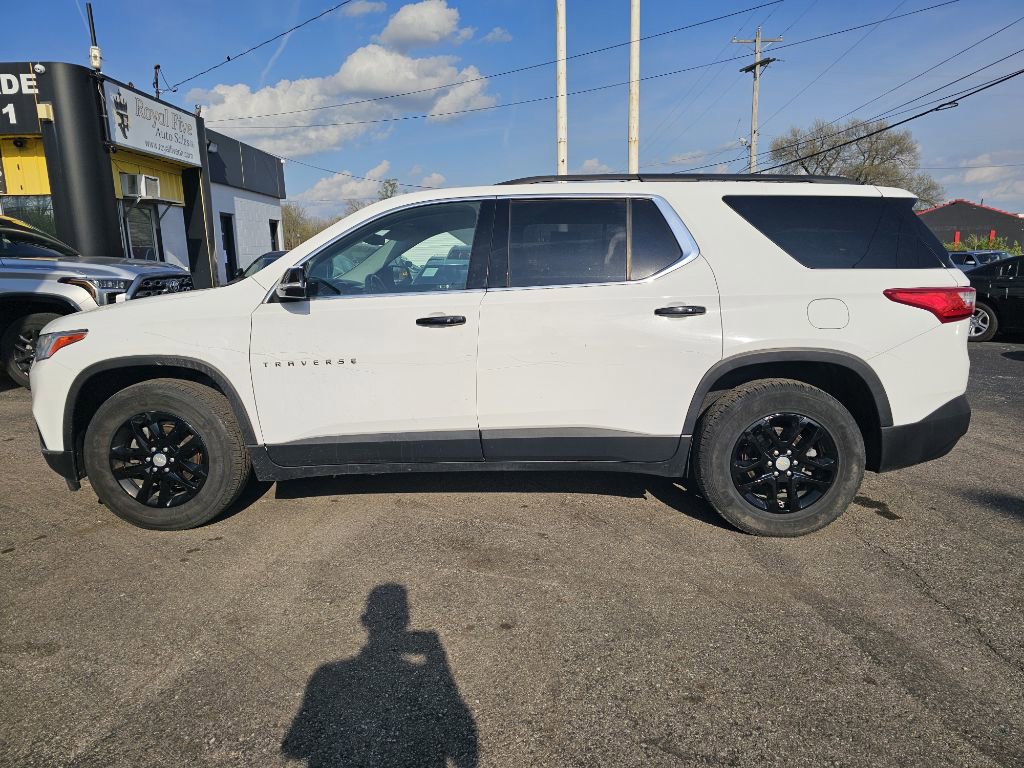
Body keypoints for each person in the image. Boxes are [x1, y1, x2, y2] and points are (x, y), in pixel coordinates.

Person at [281, 584, 478, 767]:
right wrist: (438, 660)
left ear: (366, 620)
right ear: (405, 620)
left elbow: (294, 748)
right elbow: (462, 744)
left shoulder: (325, 676)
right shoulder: (422, 678)